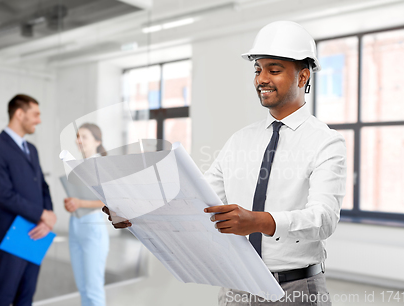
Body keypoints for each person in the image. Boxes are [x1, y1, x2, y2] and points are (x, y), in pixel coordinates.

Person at [104, 20, 346, 305]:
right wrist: (139, 215)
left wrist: (259, 221)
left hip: (295, 289)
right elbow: (196, 201)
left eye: (274, 70)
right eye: (258, 70)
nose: (261, 79)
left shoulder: (326, 142)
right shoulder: (240, 141)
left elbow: (324, 219)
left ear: (303, 76)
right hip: (237, 285)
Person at [0, 94, 57, 306]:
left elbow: (43, 185)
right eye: (36, 114)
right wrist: (42, 214)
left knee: (26, 294)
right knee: (5, 295)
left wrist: (47, 216)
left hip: (37, 230)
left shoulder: (31, 149)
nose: (39, 120)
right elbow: (3, 194)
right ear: (19, 113)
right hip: (12, 232)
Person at [63, 123, 109, 306]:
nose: (78, 140)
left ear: (97, 141)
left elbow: (108, 201)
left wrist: (80, 203)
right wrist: (72, 203)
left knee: (93, 288)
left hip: (93, 228)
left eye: (84, 136)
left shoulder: (101, 166)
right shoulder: (79, 166)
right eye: (77, 136)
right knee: (83, 287)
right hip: (75, 225)